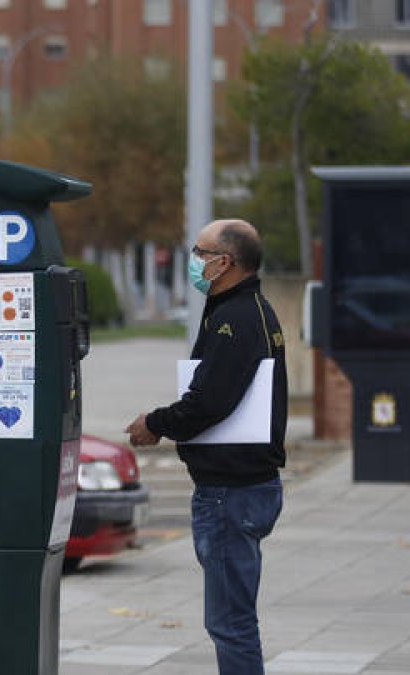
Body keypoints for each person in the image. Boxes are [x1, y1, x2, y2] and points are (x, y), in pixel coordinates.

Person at [126, 219, 287, 675]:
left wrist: (153, 425)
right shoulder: (249, 309)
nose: (193, 261)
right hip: (244, 488)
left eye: (199, 252)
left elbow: (209, 402)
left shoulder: (235, 319)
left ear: (225, 262)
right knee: (233, 617)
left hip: (230, 493)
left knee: (230, 622)